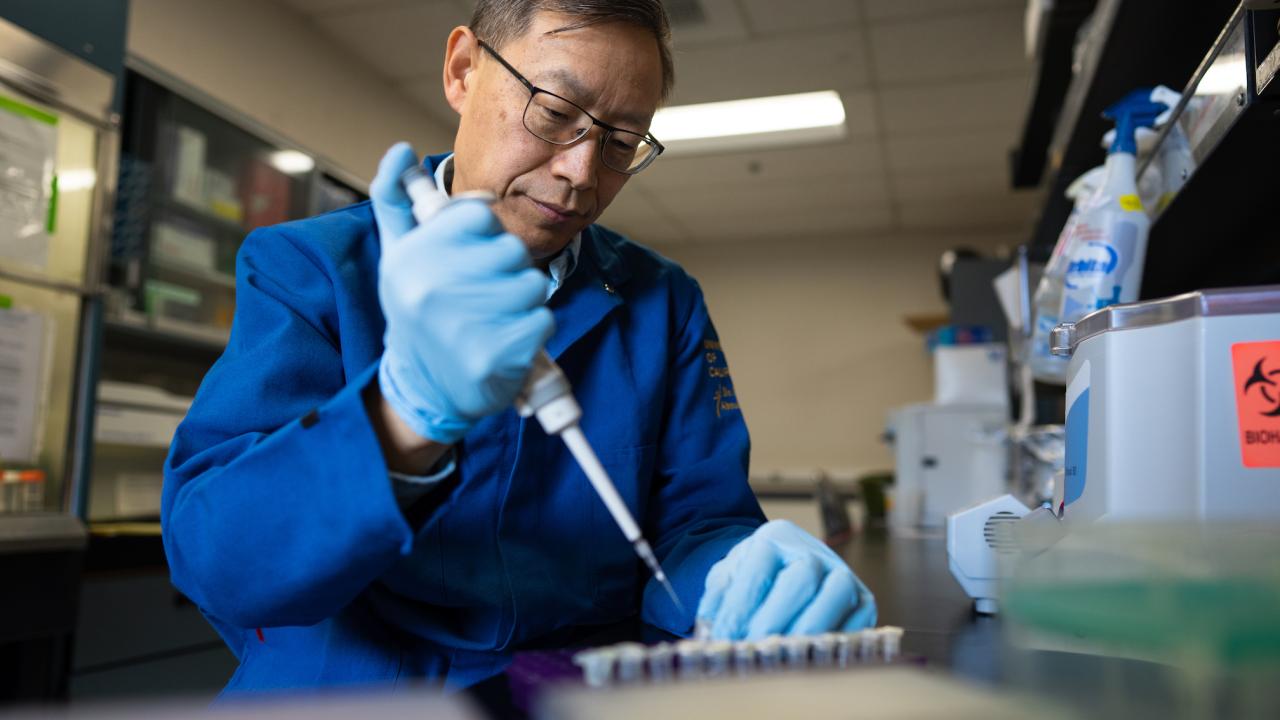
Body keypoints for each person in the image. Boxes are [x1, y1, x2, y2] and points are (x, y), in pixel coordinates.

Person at [162, 0, 875, 696]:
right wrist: (402, 417)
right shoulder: (312, 268)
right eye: (556, 113)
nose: (582, 172)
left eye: (622, 143)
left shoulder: (662, 301)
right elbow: (217, 561)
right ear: (464, 69)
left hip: (573, 692)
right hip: (354, 692)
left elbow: (696, 523)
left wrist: (736, 575)